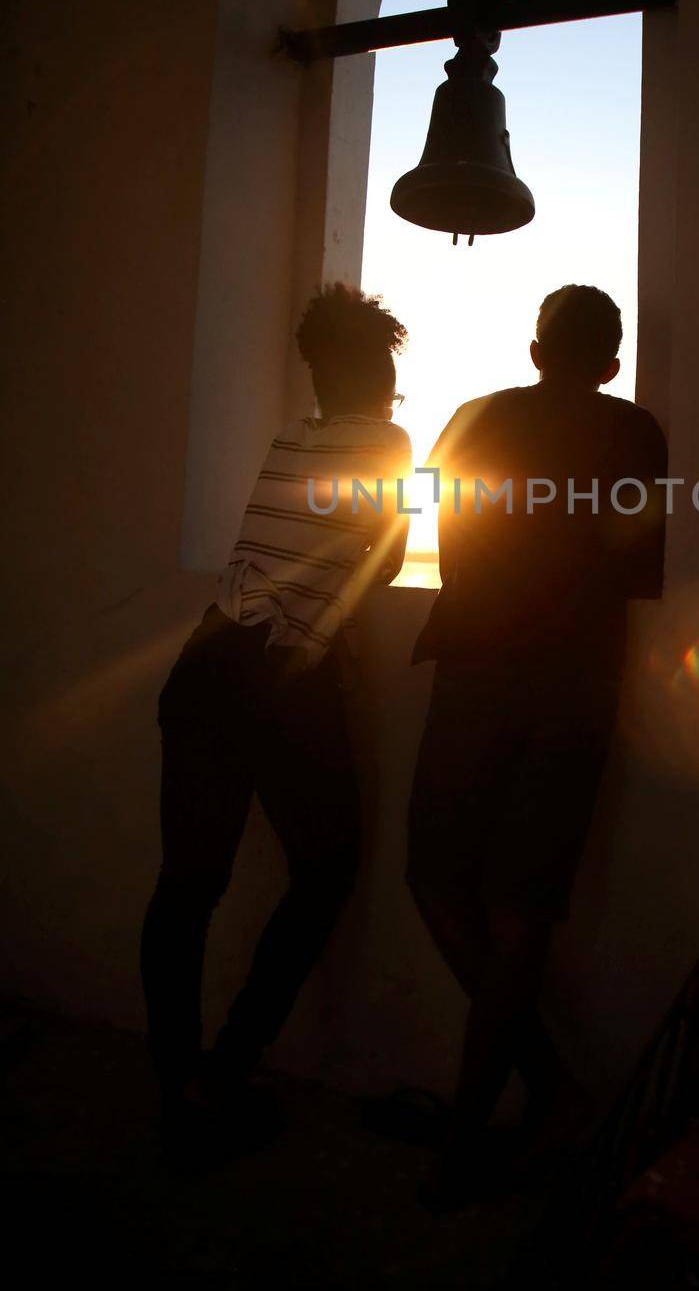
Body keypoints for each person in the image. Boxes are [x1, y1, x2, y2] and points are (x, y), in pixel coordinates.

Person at [405, 284, 668, 1204]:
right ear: (609, 362)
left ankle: (534, 1096)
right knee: (521, 911)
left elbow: (450, 532)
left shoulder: (478, 415)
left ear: (533, 349)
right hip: (577, 688)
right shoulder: (638, 432)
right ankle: (511, 1113)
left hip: (477, 666)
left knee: (434, 878)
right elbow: (636, 573)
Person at [140, 283, 411, 1166]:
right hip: (283, 677)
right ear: (378, 371)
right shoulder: (389, 440)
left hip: (205, 664)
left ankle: (179, 1086)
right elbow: (389, 554)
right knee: (330, 866)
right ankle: (224, 1074)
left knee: (188, 885)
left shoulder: (287, 438)